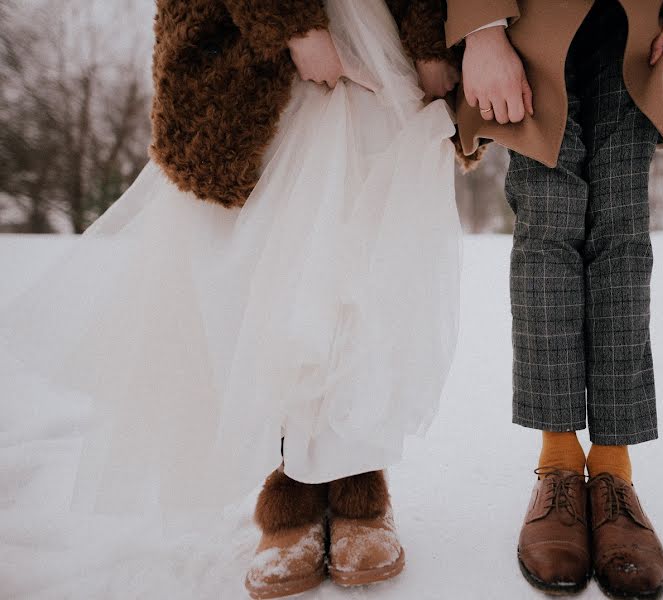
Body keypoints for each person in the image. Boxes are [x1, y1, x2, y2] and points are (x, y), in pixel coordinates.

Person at [0, 0, 463, 597]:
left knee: (364, 260)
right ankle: (290, 481)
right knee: (262, 257)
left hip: (382, 33)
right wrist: (294, 25)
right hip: (256, 32)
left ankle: (356, 477)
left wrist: (433, 45)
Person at [445, 0, 663, 596]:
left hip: (640, 26)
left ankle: (612, 472)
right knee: (547, 231)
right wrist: (478, 29)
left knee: (622, 234)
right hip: (527, 24)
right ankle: (557, 463)